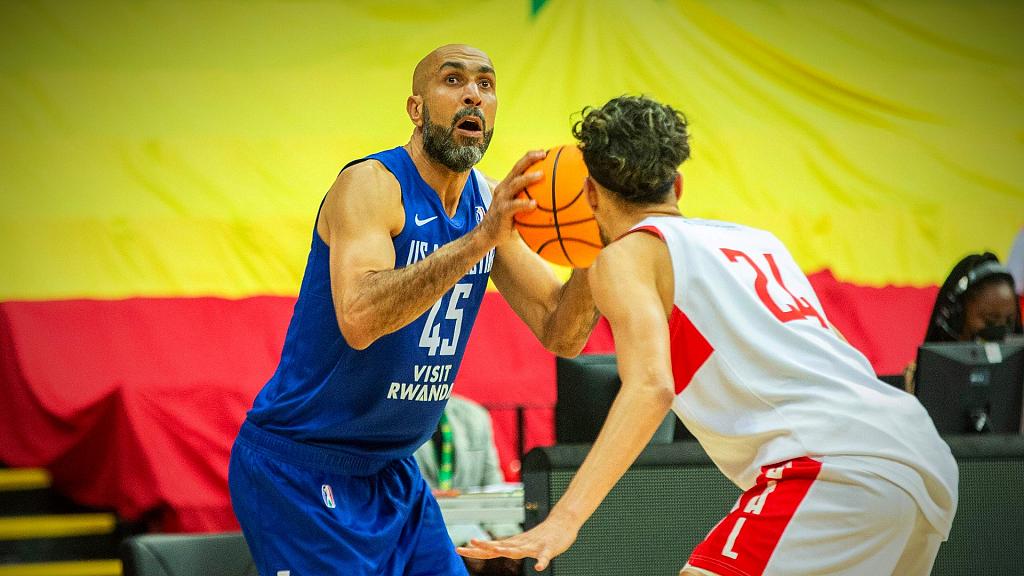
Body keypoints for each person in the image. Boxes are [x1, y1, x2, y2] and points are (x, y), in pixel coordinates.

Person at [457, 95, 958, 575]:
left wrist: (563, 521)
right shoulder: (759, 242)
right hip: (918, 452)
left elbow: (651, 387)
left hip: (829, 467)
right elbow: (841, 354)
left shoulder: (625, 256)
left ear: (590, 195)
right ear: (677, 185)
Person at [228, 44, 597, 576]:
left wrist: (598, 242)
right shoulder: (371, 184)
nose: (473, 95)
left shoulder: (487, 202)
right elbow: (359, 318)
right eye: (453, 80)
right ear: (416, 109)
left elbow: (563, 332)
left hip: (393, 472)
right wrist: (479, 240)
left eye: (486, 84)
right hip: (302, 467)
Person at [414, 395, 521, 576]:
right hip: (423, 534)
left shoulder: (475, 415)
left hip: (474, 532)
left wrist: (503, 539)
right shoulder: (393, 419)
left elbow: (493, 485)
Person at [904, 251, 1022, 389]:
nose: (1001, 331)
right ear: (956, 318)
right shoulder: (917, 382)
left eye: (1009, 321)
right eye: (990, 321)